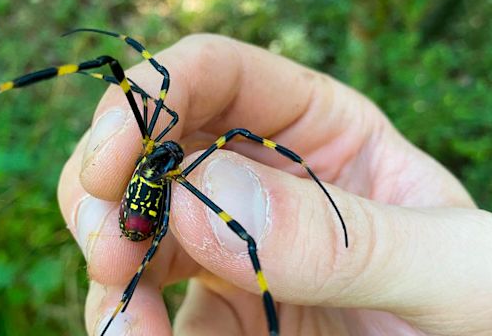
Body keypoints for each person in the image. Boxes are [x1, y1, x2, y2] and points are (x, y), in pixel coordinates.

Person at [57, 34, 492, 335]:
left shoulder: (171, 158)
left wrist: (301, 165)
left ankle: (267, 325)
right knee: (141, 79)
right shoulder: (157, 143)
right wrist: (127, 59)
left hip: (146, 214)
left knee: (243, 233)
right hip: (140, 215)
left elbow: (246, 218)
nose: (168, 146)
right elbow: (143, 78)